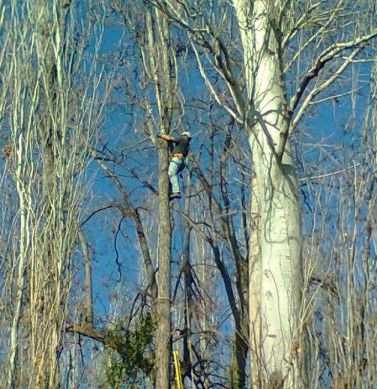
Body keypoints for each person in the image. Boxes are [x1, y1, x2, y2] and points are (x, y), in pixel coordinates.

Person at [158, 131, 192, 199]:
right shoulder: (186, 145)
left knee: (171, 173)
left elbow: (170, 138)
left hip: (177, 159)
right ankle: (171, 191)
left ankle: (176, 192)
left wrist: (160, 135)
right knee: (171, 175)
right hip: (181, 162)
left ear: (184, 135)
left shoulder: (182, 139)